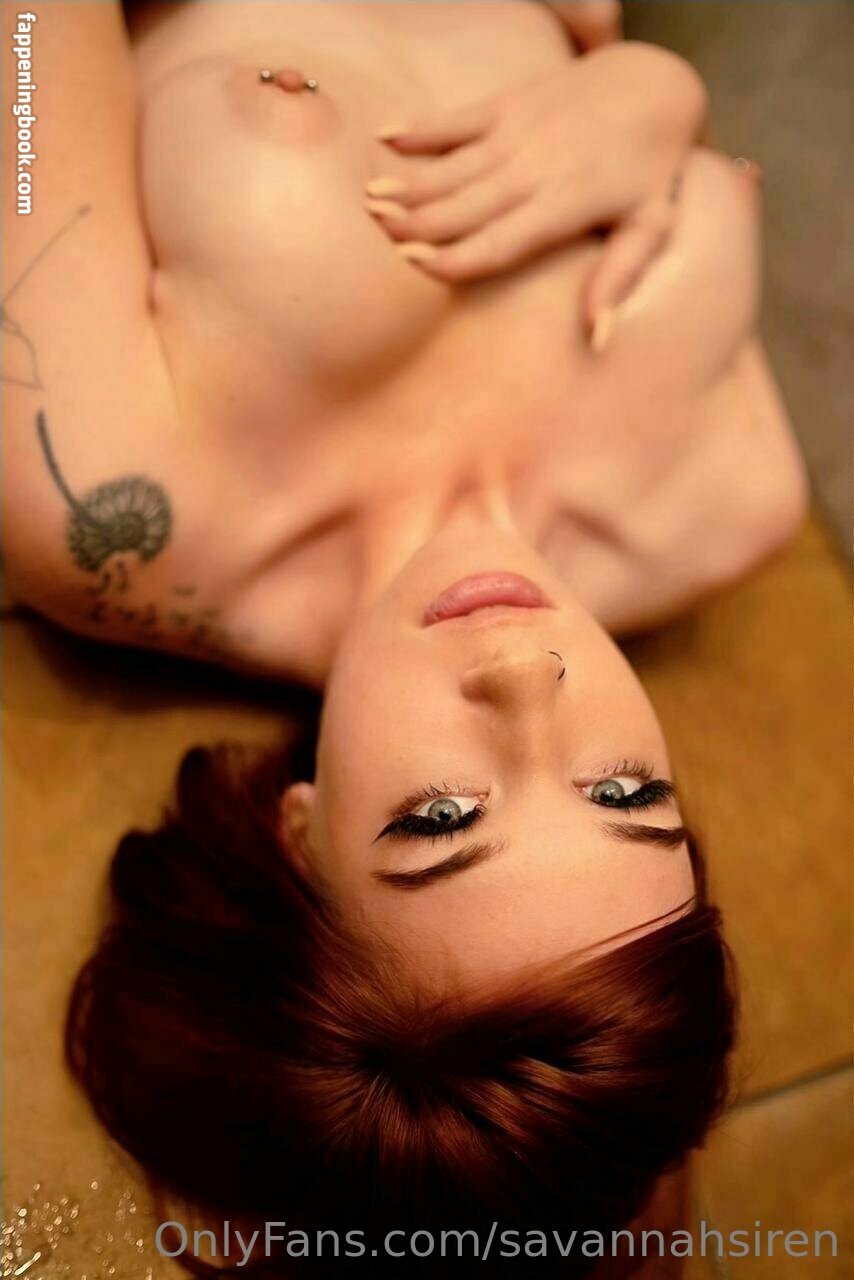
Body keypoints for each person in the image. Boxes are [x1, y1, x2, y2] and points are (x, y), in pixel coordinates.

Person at [3, 0, 805, 1273]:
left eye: (440, 816)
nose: (527, 674)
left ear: (303, 837)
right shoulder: (730, 500)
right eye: (622, 791)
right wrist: (652, 96)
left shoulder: (101, 506)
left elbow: (31, 40)